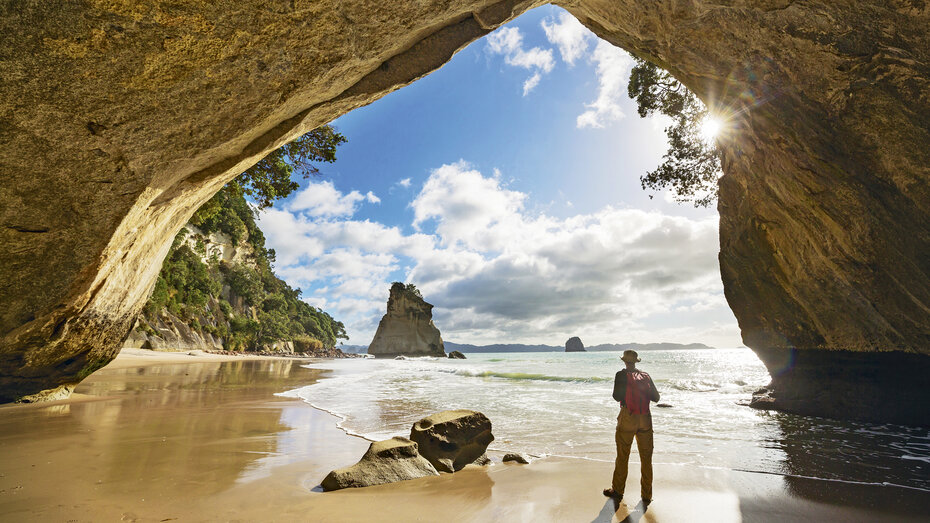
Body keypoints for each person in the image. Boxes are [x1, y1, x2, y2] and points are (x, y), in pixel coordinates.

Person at [603, 349, 660, 503]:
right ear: (636, 361)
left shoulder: (621, 375)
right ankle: (647, 495)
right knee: (646, 458)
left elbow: (617, 397)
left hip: (628, 417)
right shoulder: (646, 375)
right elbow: (656, 397)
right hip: (645, 418)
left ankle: (618, 490)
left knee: (623, 455)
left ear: (624, 361)